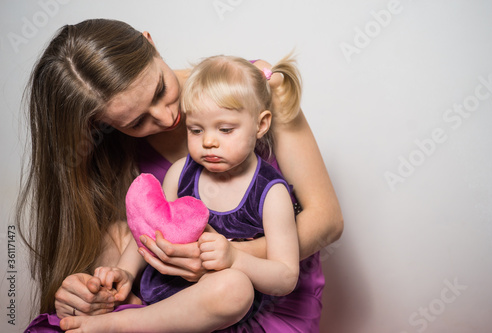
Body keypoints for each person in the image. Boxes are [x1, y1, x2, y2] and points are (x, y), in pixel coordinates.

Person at [18, 19, 343, 332]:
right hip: (178, 299)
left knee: (232, 287)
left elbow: (327, 220)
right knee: (115, 232)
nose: (167, 115)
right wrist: (91, 290)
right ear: (104, 125)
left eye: (160, 88)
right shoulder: (137, 157)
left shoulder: (247, 87)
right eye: (136, 122)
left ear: (150, 43)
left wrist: (224, 256)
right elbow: (142, 235)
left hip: (265, 295)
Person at [62, 54, 301, 332]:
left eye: (225, 129)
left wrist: (236, 259)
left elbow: (285, 277)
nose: (209, 142)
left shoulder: (270, 193)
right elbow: (151, 227)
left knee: (235, 287)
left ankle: (124, 324)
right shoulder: (180, 172)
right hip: (161, 290)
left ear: (261, 125)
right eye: (196, 130)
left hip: (215, 305)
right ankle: (139, 309)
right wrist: (124, 271)